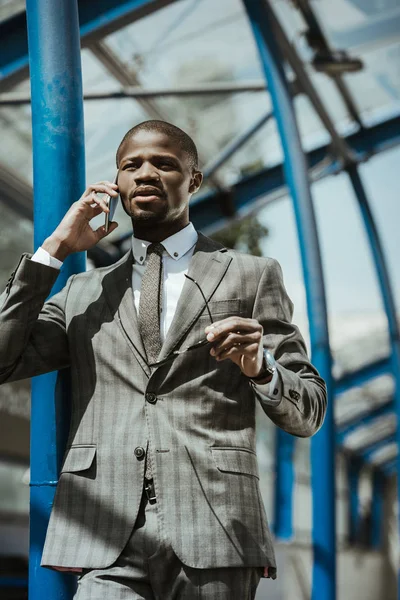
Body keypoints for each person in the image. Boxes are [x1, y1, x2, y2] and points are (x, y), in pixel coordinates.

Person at [0, 120, 327, 600]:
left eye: (164, 164)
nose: (146, 173)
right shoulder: (82, 293)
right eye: (131, 165)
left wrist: (262, 367)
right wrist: (54, 250)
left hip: (216, 528)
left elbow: (309, 410)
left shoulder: (252, 276)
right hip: (102, 529)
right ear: (116, 183)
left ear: (193, 180)